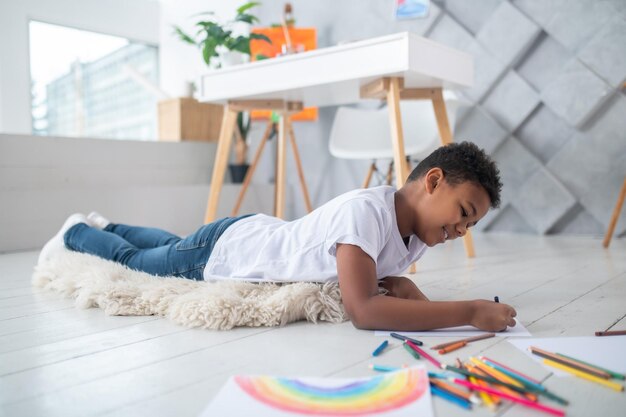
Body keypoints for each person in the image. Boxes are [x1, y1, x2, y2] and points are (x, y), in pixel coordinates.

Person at [39, 141, 516, 332]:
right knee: (143, 262)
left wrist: (406, 290)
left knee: (170, 244)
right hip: (225, 254)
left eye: (470, 226)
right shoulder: (366, 214)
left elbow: (378, 283)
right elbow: (363, 310)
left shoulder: (412, 231)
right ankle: (79, 231)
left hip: (247, 231)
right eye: (462, 213)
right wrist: (470, 311)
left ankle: (107, 223)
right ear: (432, 182)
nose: (460, 231)